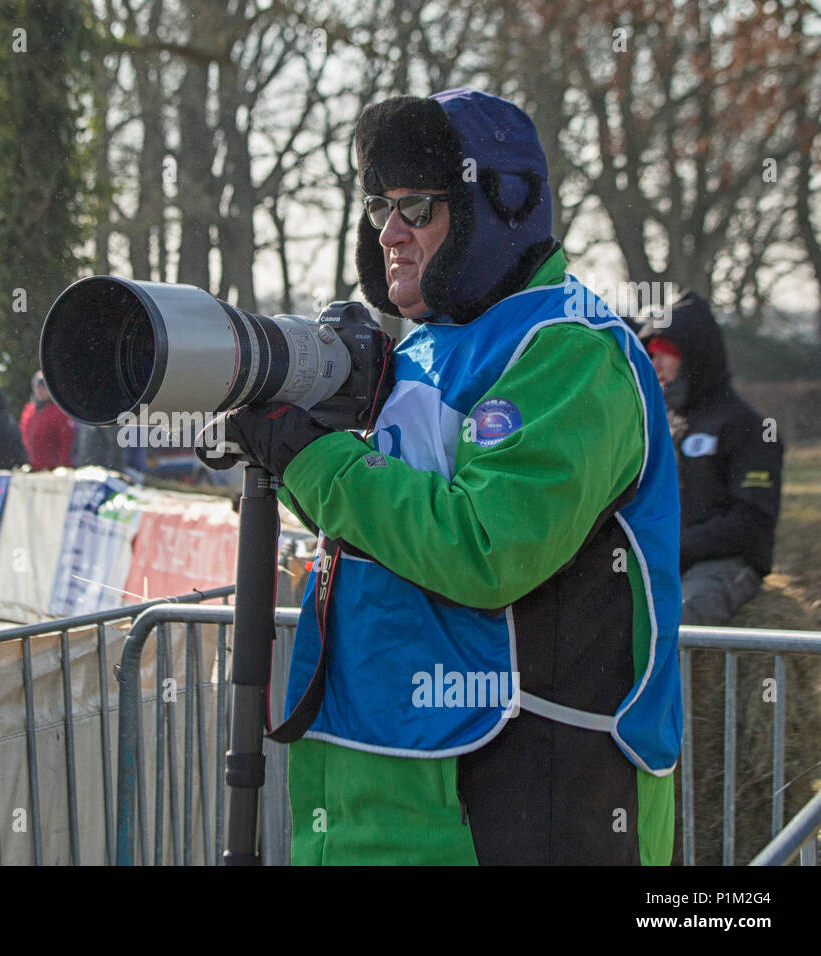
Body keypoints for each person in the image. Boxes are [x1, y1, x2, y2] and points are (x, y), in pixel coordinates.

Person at [200, 88, 682, 865]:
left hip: (520, 795)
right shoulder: (423, 348)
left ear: (501, 206)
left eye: (418, 207)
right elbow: (375, 519)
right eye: (378, 207)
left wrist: (310, 457)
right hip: (378, 778)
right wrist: (277, 445)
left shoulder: (568, 350)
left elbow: (486, 547)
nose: (388, 232)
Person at [638, 291, 783, 625]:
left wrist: (677, 547)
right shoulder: (663, 426)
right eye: (650, 353)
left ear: (694, 355)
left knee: (679, 622)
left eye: (665, 353)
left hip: (727, 564)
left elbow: (751, 523)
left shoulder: (748, 427)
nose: (654, 364)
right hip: (669, 561)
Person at [22, 370, 75, 470]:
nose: (41, 391)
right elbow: (24, 436)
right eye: (38, 387)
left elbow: (66, 442)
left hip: (53, 470)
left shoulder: (60, 411)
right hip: (33, 468)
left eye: (45, 387)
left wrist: (62, 466)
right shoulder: (29, 410)